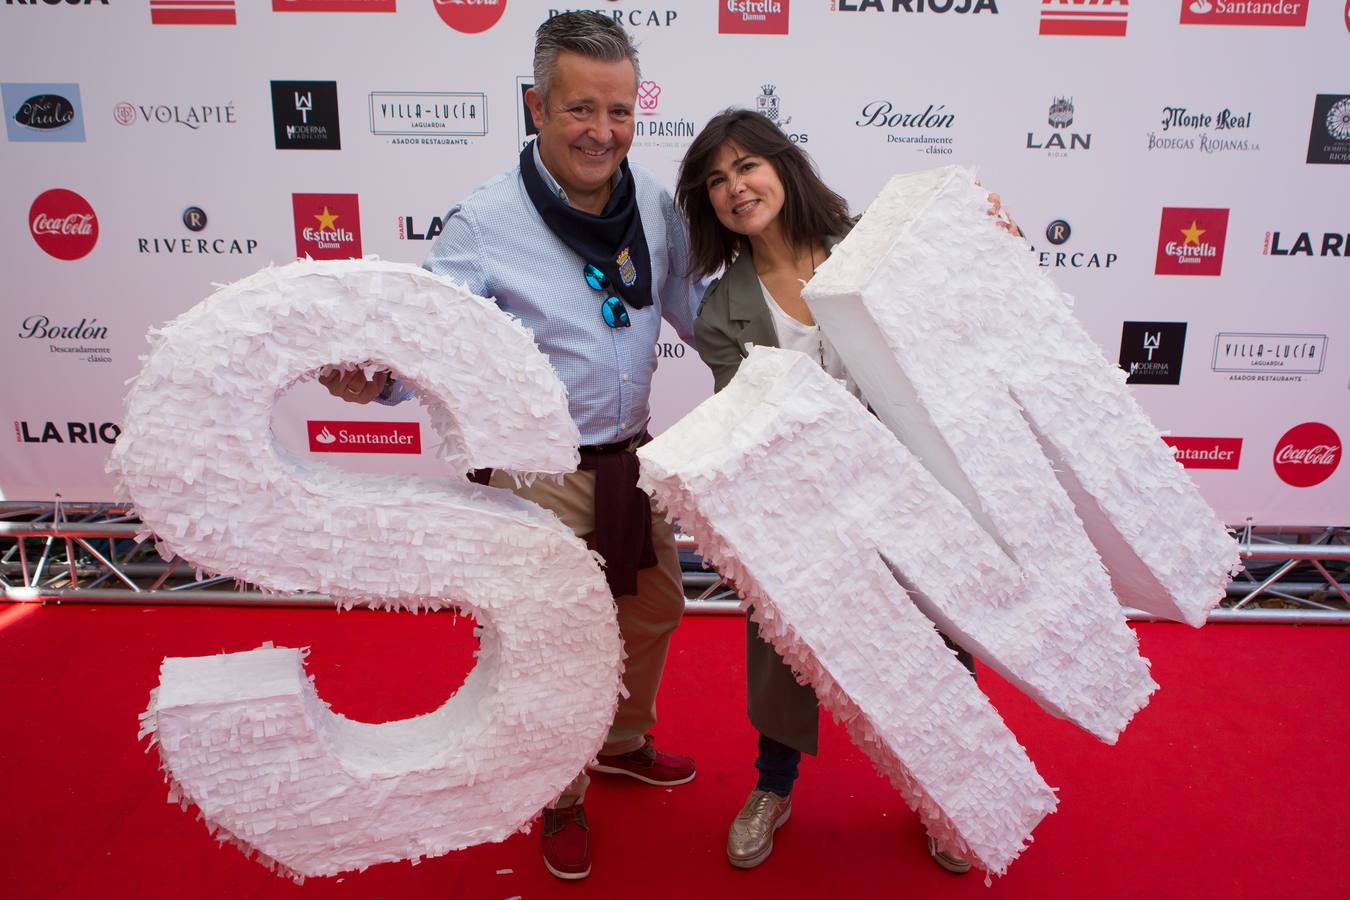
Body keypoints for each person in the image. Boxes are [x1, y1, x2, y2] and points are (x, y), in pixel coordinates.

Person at [320, 12, 698, 882]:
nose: (602, 132)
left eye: (619, 110)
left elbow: (698, 306)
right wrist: (373, 380)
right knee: (554, 641)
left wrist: (802, 327)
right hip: (537, 470)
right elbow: (431, 343)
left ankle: (619, 742)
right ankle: (558, 791)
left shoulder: (654, 204)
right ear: (536, 106)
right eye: (579, 110)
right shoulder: (483, 223)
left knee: (651, 610)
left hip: (630, 460)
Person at [675, 109, 1017, 875]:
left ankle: (953, 792)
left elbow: (968, 286)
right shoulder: (719, 312)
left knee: (940, 643)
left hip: (913, 487)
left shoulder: (870, 241)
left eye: (746, 167)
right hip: (805, 502)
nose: (735, 188)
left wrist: (994, 228)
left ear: (782, 167)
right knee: (787, 650)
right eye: (717, 181)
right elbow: (752, 425)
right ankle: (774, 787)